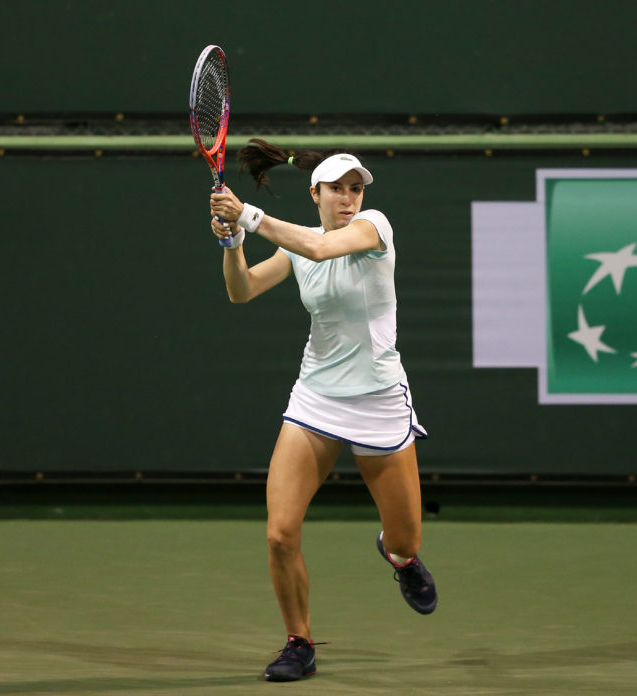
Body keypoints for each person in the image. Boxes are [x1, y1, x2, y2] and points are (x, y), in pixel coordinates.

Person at [209, 139, 437, 682]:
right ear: (315, 193)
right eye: (337, 188)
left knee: (406, 538)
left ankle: (399, 559)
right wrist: (232, 241)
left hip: (380, 401)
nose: (349, 198)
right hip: (315, 397)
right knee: (280, 533)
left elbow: (317, 250)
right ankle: (299, 641)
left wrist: (250, 214)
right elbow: (242, 291)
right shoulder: (294, 243)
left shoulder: (374, 228)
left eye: (355, 188)